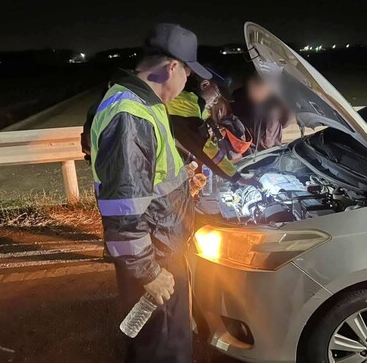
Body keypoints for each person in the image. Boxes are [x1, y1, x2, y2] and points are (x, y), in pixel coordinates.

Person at [89, 23, 211, 363]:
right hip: (156, 257)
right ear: (172, 67)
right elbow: (123, 210)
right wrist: (149, 273)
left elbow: (148, 178)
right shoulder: (131, 115)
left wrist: (184, 183)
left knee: (158, 343)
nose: (188, 84)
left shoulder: (146, 103)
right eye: (189, 74)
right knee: (164, 350)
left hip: (161, 248)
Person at [166, 67, 259, 186]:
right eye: (216, 95)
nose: (216, 101)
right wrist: (236, 177)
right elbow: (205, 148)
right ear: (205, 84)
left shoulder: (188, 101)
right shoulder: (183, 105)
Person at [231, 70, 290, 151]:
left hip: (268, 148)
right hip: (252, 147)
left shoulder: (277, 102)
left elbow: (285, 121)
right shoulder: (241, 99)